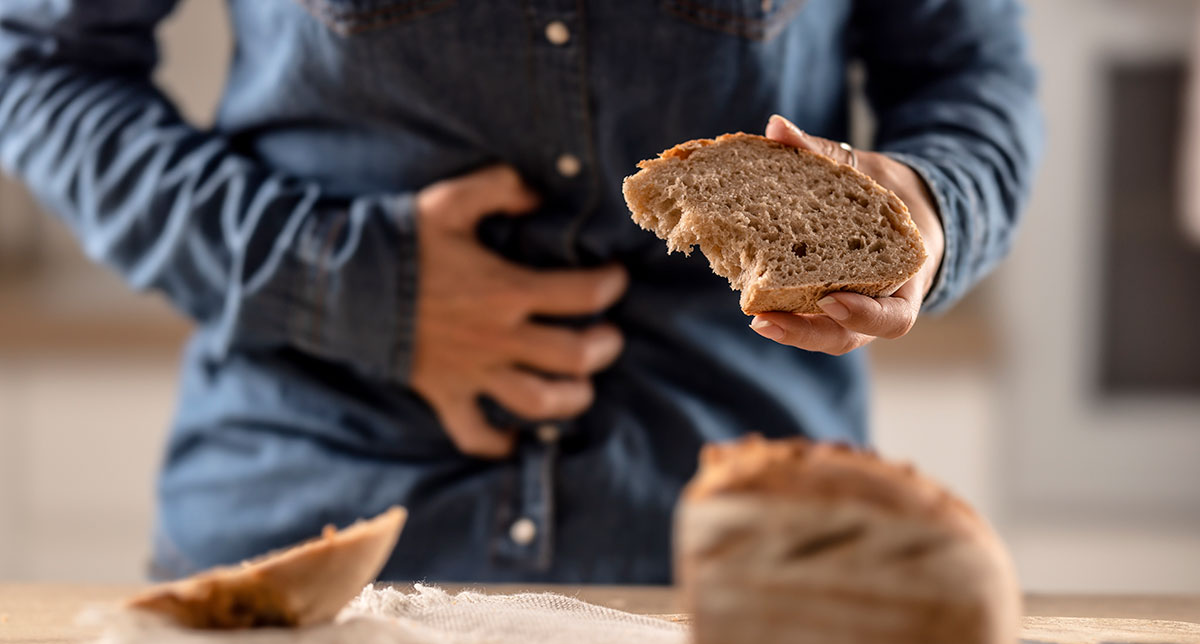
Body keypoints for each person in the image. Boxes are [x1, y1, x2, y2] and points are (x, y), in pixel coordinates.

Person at [0, 1, 1040, 583]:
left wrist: (928, 212)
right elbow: (38, 63)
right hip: (306, 540)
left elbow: (971, 72)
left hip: (739, 561)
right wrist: (349, 282)